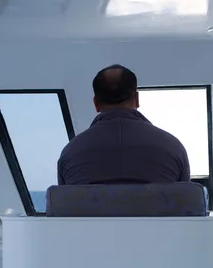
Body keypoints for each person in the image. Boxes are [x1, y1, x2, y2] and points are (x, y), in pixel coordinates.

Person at [57, 64, 190, 185]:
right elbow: (186, 205)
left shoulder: (70, 153)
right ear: (137, 99)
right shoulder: (173, 148)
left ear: (96, 103)